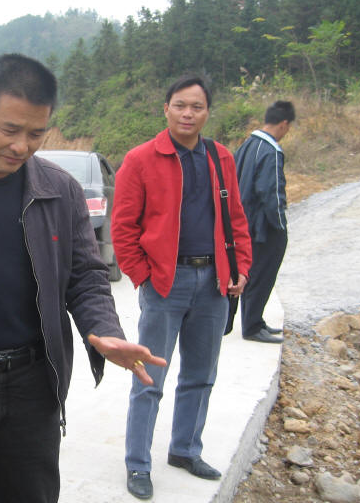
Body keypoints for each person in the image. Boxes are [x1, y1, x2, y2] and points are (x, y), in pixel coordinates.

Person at [0, 53, 165, 503]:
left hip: (32, 385)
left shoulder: (59, 190)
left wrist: (105, 332)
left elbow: (86, 275)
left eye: (36, 133)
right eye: (10, 129)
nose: (22, 146)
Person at [111, 75, 252, 499]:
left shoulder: (221, 157)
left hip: (214, 283)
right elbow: (123, 227)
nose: (188, 114)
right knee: (149, 376)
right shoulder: (140, 159)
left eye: (197, 107)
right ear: (166, 109)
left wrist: (241, 267)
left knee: (201, 375)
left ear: (207, 112)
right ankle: (138, 464)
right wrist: (143, 276)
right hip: (165, 282)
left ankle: (186, 450)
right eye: (180, 105)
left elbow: (237, 218)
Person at [234, 100, 295, 344]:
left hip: (244, 223)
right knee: (263, 274)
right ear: (284, 124)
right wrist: (280, 225)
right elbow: (271, 193)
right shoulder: (271, 151)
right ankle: (252, 326)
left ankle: (253, 320)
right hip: (262, 227)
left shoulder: (247, 145)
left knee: (251, 273)